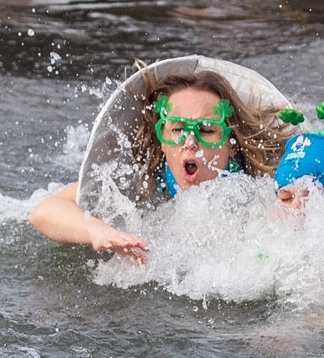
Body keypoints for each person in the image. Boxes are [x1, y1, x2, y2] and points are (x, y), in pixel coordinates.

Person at [28, 61, 292, 258]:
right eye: (177, 130)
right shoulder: (144, 182)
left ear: (231, 145)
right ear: (161, 141)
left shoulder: (258, 185)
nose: (190, 143)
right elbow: (44, 212)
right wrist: (97, 231)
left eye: (207, 130)